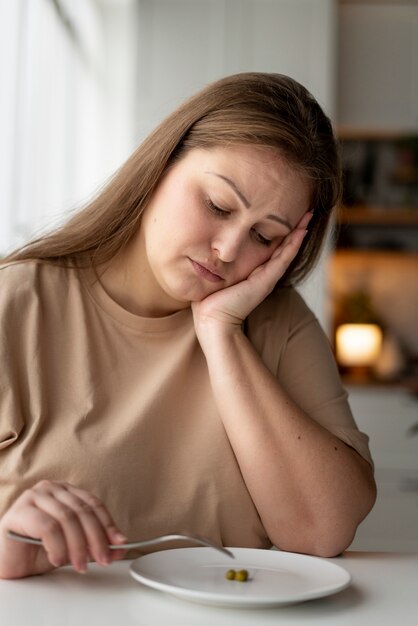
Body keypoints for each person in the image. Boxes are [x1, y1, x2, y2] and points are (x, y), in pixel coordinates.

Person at [0, 72, 376, 580]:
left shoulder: (278, 323)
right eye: (218, 206)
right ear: (161, 164)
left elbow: (320, 530)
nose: (228, 251)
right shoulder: (17, 303)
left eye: (264, 237)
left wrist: (221, 333)